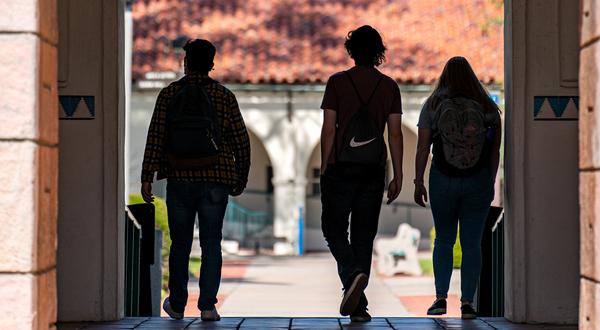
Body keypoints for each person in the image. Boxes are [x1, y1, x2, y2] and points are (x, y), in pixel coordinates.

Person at [141, 39, 251, 321]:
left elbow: (156, 137)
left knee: (180, 244)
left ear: (185, 62)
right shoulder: (224, 96)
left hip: (180, 177)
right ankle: (207, 307)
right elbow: (241, 140)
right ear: (211, 64)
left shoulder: (169, 94)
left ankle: (177, 305)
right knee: (211, 244)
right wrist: (241, 176)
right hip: (216, 178)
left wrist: (147, 177)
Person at [319, 25, 404, 322]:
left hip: (340, 170)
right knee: (363, 237)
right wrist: (399, 174)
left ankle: (353, 277)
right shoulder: (390, 87)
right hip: (373, 171)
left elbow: (329, 129)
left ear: (351, 50)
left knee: (332, 229)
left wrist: (324, 166)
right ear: (378, 51)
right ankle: (359, 308)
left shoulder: (337, 83)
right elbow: (394, 134)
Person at [413, 56, 501, 319]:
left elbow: (422, 148)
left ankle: (440, 299)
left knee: (443, 239)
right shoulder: (487, 106)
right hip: (478, 180)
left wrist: (418, 181)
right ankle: (468, 304)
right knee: (472, 244)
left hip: (442, 178)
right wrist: (489, 181)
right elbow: (494, 150)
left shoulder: (433, 104)